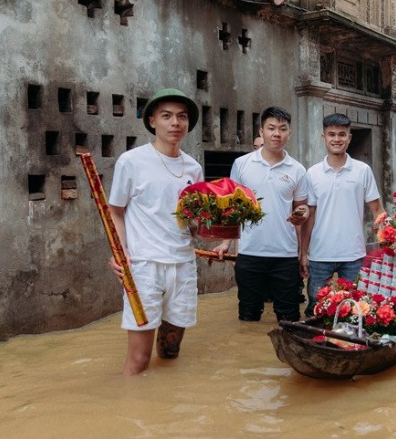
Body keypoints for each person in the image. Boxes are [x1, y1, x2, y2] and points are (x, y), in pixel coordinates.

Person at [108, 88, 204, 376]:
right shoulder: (132, 161)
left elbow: (195, 222)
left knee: (171, 352)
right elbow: (115, 211)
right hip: (144, 266)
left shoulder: (193, 168)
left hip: (183, 265)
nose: (175, 123)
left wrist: (217, 228)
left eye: (182, 117)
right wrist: (118, 253)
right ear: (152, 121)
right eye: (167, 116)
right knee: (138, 361)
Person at [213, 107, 308, 322]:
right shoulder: (242, 164)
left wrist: (303, 251)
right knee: (248, 317)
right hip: (249, 253)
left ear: (289, 133)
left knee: (290, 319)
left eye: (283, 129)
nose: (277, 133)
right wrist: (226, 242)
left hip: (285, 255)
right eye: (271, 128)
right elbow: (233, 207)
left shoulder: (297, 169)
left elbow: (303, 207)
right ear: (261, 131)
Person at [300, 113, 385, 317]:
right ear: (323, 137)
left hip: (354, 254)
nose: (336, 139)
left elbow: (377, 210)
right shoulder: (312, 173)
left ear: (349, 137)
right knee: (316, 309)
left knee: (357, 309)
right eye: (331, 134)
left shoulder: (362, 171)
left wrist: (390, 235)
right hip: (320, 254)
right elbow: (309, 216)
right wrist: (303, 252)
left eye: (341, 134)